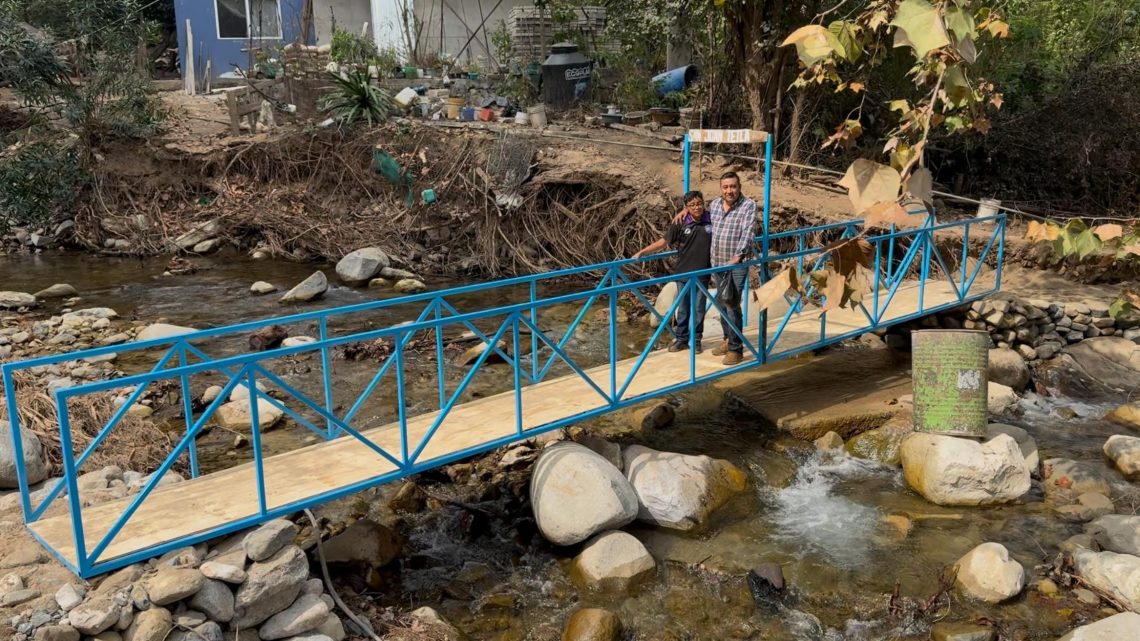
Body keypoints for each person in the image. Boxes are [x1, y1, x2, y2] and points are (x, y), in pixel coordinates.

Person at [679, 172, 757, 365]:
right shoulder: (714, 205)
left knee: (731, 303)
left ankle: (735, 349)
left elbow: (748, 233)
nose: (729, 190)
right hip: (717, 263)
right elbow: (698, 214)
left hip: (736, 265)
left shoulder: (748, 206)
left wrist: (738, 256)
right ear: (720, 188)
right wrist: (684, 212)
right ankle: (727, 338)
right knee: (722, 304)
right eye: (725, 187)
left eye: (733, 186)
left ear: (739, 187)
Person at [633, 191, 712, 353]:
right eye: (692, 205)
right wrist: (642, 252)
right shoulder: (680, 222)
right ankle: (681, 338)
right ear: (686, 208)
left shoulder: (711, 218)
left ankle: (696, 340)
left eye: (699, 203)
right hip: (684, 273)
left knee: (699, 308)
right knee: (683, 308)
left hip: (703, 274)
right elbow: (664, 242)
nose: (697, 207)